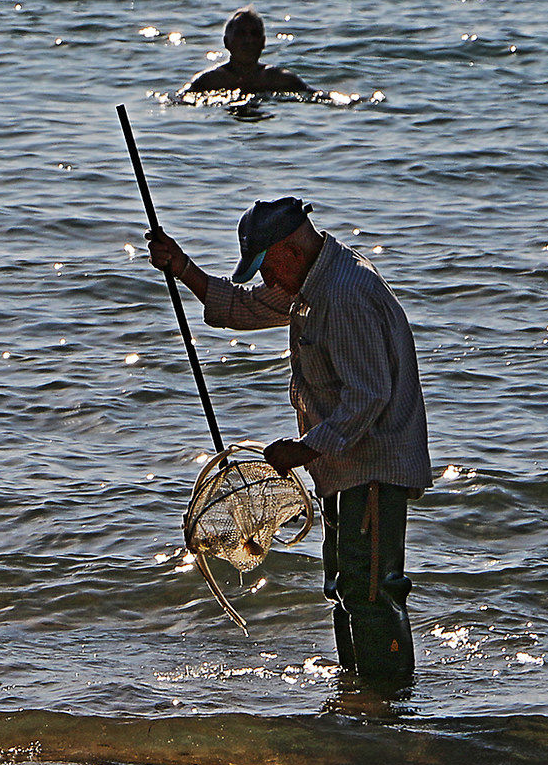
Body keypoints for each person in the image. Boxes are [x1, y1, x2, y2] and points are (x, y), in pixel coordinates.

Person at [146, 198, 429, 688]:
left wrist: (302, 450)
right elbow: (243, 307)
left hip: (374, 465)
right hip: (342, 465)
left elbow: (368, 398)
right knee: (344, 588)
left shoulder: (343, 294)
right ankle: (354, 699)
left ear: (292, 252)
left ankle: (389, 712)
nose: (266, 282)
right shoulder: (309, 282)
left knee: (371, 592)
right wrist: (183, 268)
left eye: (268, 268)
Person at [181, 7, 312, 96]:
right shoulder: (211, 80)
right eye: (241, 34)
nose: (248, 40)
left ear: (263, 43)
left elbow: (316, 97)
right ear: (227, 42)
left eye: (254, 34)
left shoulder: (280, 79)